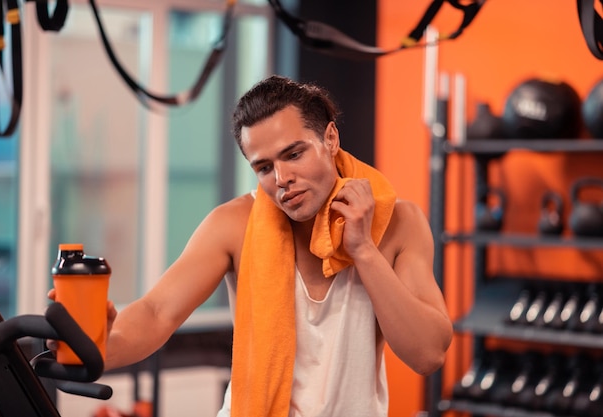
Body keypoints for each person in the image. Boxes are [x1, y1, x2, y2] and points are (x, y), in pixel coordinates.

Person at [51, 75, 453, 416]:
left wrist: (363, 249)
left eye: (294, 154)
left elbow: (429, 354)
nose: (282, 178)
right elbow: (157, 313)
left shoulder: (399, 223)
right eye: (264, 167)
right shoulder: (233, 224)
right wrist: (94, 345)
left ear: (330, 138)